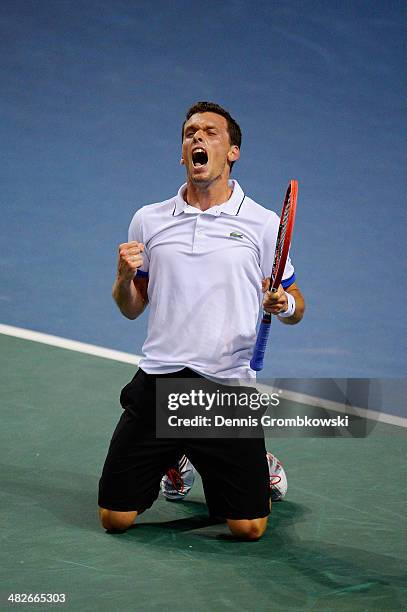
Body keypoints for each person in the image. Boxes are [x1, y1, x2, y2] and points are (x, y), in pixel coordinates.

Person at [98, 101, 305, 540]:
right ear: (182, 153)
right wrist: (122, 279)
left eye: (211, 132)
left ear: (232, 152)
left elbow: (297, 304)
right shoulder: (148, 220)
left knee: (248, 528)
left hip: (225, 387)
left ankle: (258, 466)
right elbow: (132, 307)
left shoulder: (262, 223)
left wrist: (283, 303)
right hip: (159, 381)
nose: (197, 138)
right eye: (190, 132)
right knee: (114, 520)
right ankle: (179, 454)